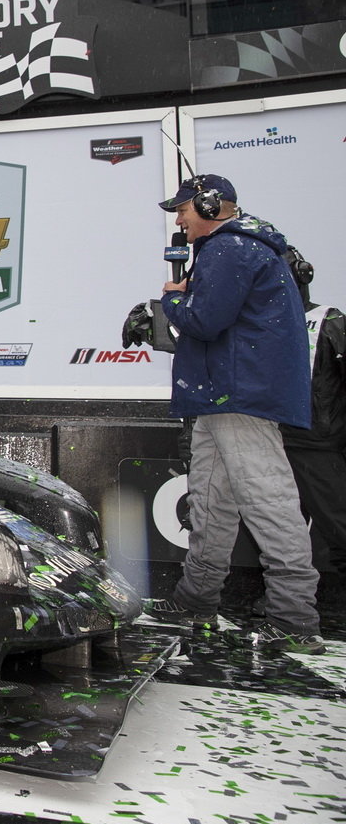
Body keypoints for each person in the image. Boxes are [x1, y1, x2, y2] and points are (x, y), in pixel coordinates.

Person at [145, 175, 322, 654]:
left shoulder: (229, 248)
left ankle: (294, 619)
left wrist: (172, 297)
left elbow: (204, 320)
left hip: (235, 394)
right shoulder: (246, 247)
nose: (179, 219)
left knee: (269, 503)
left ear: (209, 205)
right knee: (210, 502)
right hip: (223, 394)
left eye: (183, 209)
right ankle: (196, 598)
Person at [278, 246, 346, 580]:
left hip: (318, 443)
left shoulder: (328, 320)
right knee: (277, 532)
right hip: (273, 441)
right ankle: (287, 597)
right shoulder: (259, 323)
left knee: (337, 524)